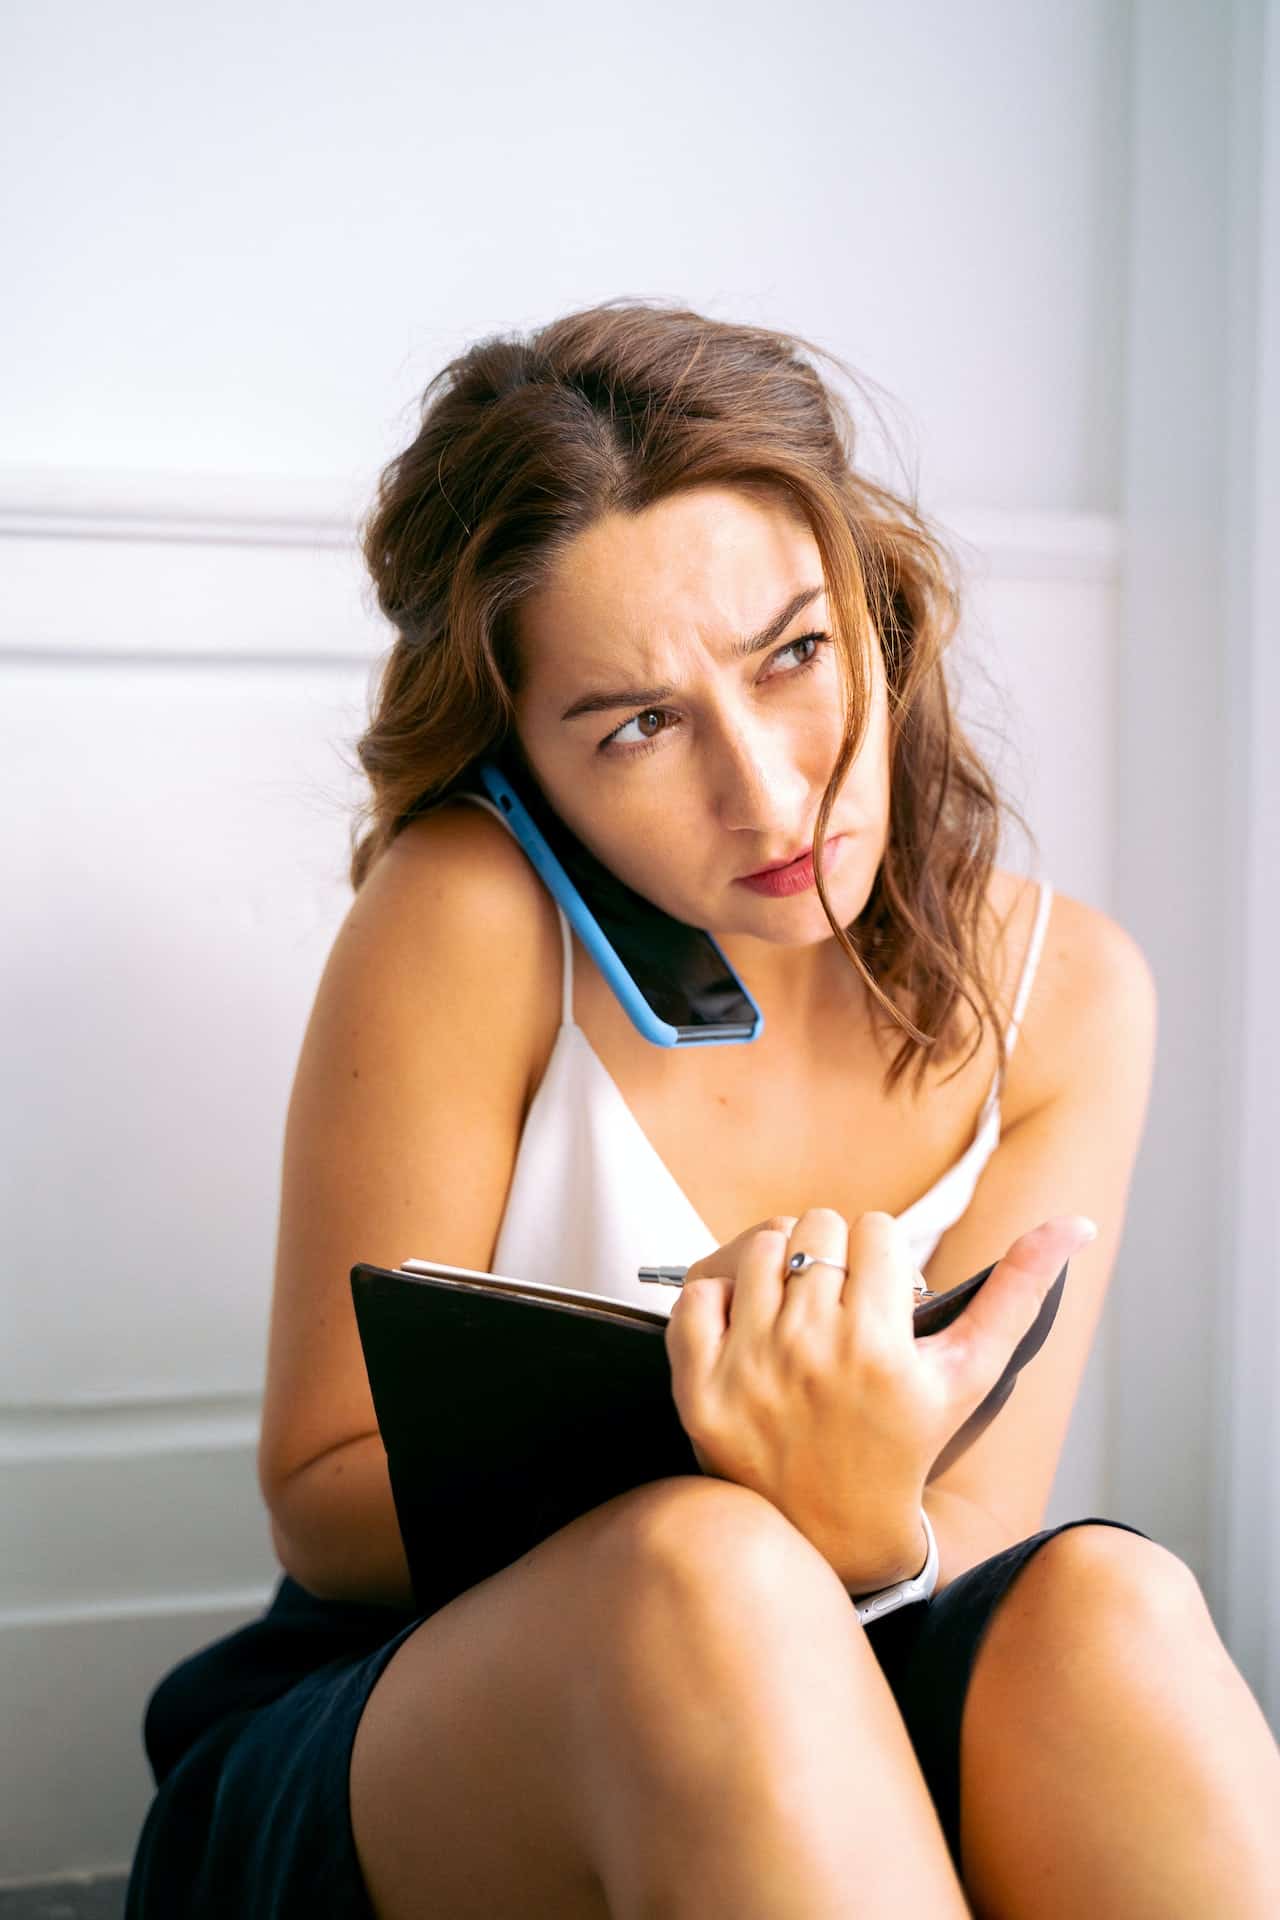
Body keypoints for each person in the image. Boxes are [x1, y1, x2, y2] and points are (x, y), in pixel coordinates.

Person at [125, 301, 1280, 1919]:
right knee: (709, 1575)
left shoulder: (1075, 997)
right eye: (641, 726)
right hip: (412, 1734)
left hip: (855, 1668)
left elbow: (961, 1531)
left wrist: (851, 1516)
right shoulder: (469, 909)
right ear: (526, 759)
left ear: (878, 607)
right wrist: (734, 1458)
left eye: (794, 654)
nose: (768, 789)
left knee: (1111, 1603)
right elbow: (323, 1498)